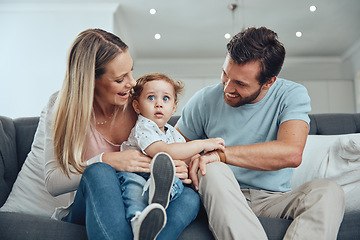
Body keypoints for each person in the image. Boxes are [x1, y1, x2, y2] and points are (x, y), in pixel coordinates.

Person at [5, 28, 200, 240]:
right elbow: (53, 181)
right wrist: (108, 160)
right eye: (120, 79)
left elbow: (168, 145)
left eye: (131, 72)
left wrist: (178, 165)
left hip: (140, 198)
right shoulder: (61, 106)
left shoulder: (140, 104)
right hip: (91, 205)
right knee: (99, 172)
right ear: (91, 81)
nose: (133, 83)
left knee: (190, 198)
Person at [175, 26, 345, 240]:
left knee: (329, 192)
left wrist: (220, 155)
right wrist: (193, 160)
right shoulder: (204, 99)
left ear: (268, 82)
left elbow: (291, 153)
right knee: (213, 169)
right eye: (225, 74)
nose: (227, 88)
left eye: (240, 83)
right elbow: (173, 147)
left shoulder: (291, 95)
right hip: (220, 196)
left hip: (273, 199)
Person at [119, 73, 225, 238]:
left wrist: (199, 158)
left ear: (174, 107)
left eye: (166, 99)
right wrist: (203, 143)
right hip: (135, 174)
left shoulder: (173, 134)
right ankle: (137, 220)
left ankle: (161, 196)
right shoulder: (144, 126)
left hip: (158, 180)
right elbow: (164, 151)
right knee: (133, 189)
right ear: (137, 106)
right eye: (151, 98)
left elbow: (186, 156)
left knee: (179, 181)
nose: (159, 104)